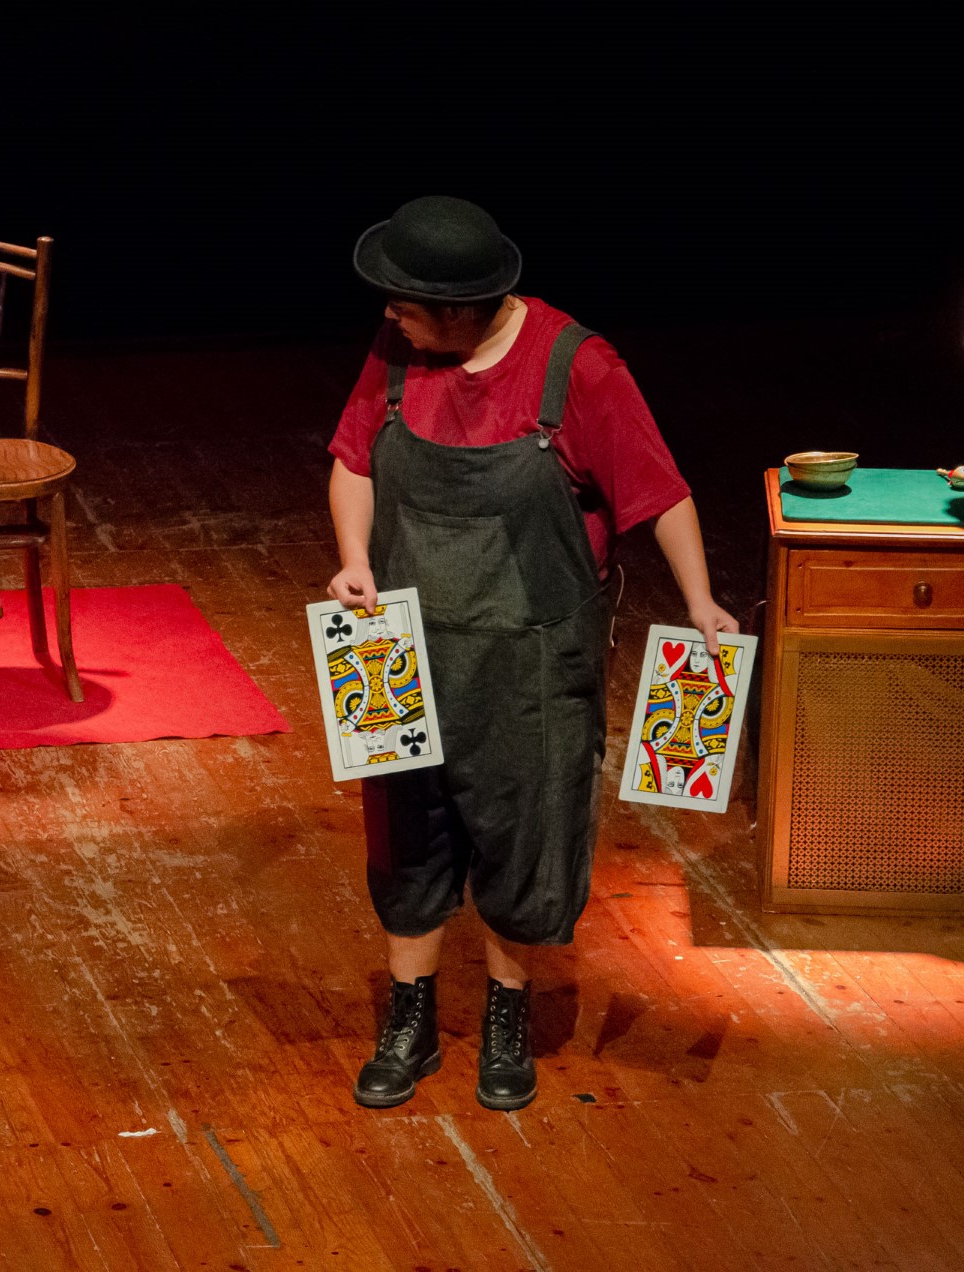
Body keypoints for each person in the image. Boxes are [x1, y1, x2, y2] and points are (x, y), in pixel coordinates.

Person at [326, 195, 737, 1111]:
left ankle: (506, 1013)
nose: (388, 314)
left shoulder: (576, 367)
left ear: (460, 310)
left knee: (525, 832)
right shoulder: (397, 349)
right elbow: (354, 460)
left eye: (405, 303)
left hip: (531, 658)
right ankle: (409, 1018)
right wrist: (355, 559)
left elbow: (661, 490)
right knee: (406, 833)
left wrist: (701, 601)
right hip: (404, 643)